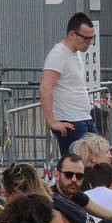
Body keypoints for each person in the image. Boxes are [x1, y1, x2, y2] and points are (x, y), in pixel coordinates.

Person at [41, 12, 99, 156]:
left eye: (92, 38)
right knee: (77, 165)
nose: (90, 43)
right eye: (86, 38)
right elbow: (45, 87)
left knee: (99, 158)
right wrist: (52, 121)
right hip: (71, 121)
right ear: (72, 34)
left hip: (84, 117)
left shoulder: (76, 53)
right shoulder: (58, 55)